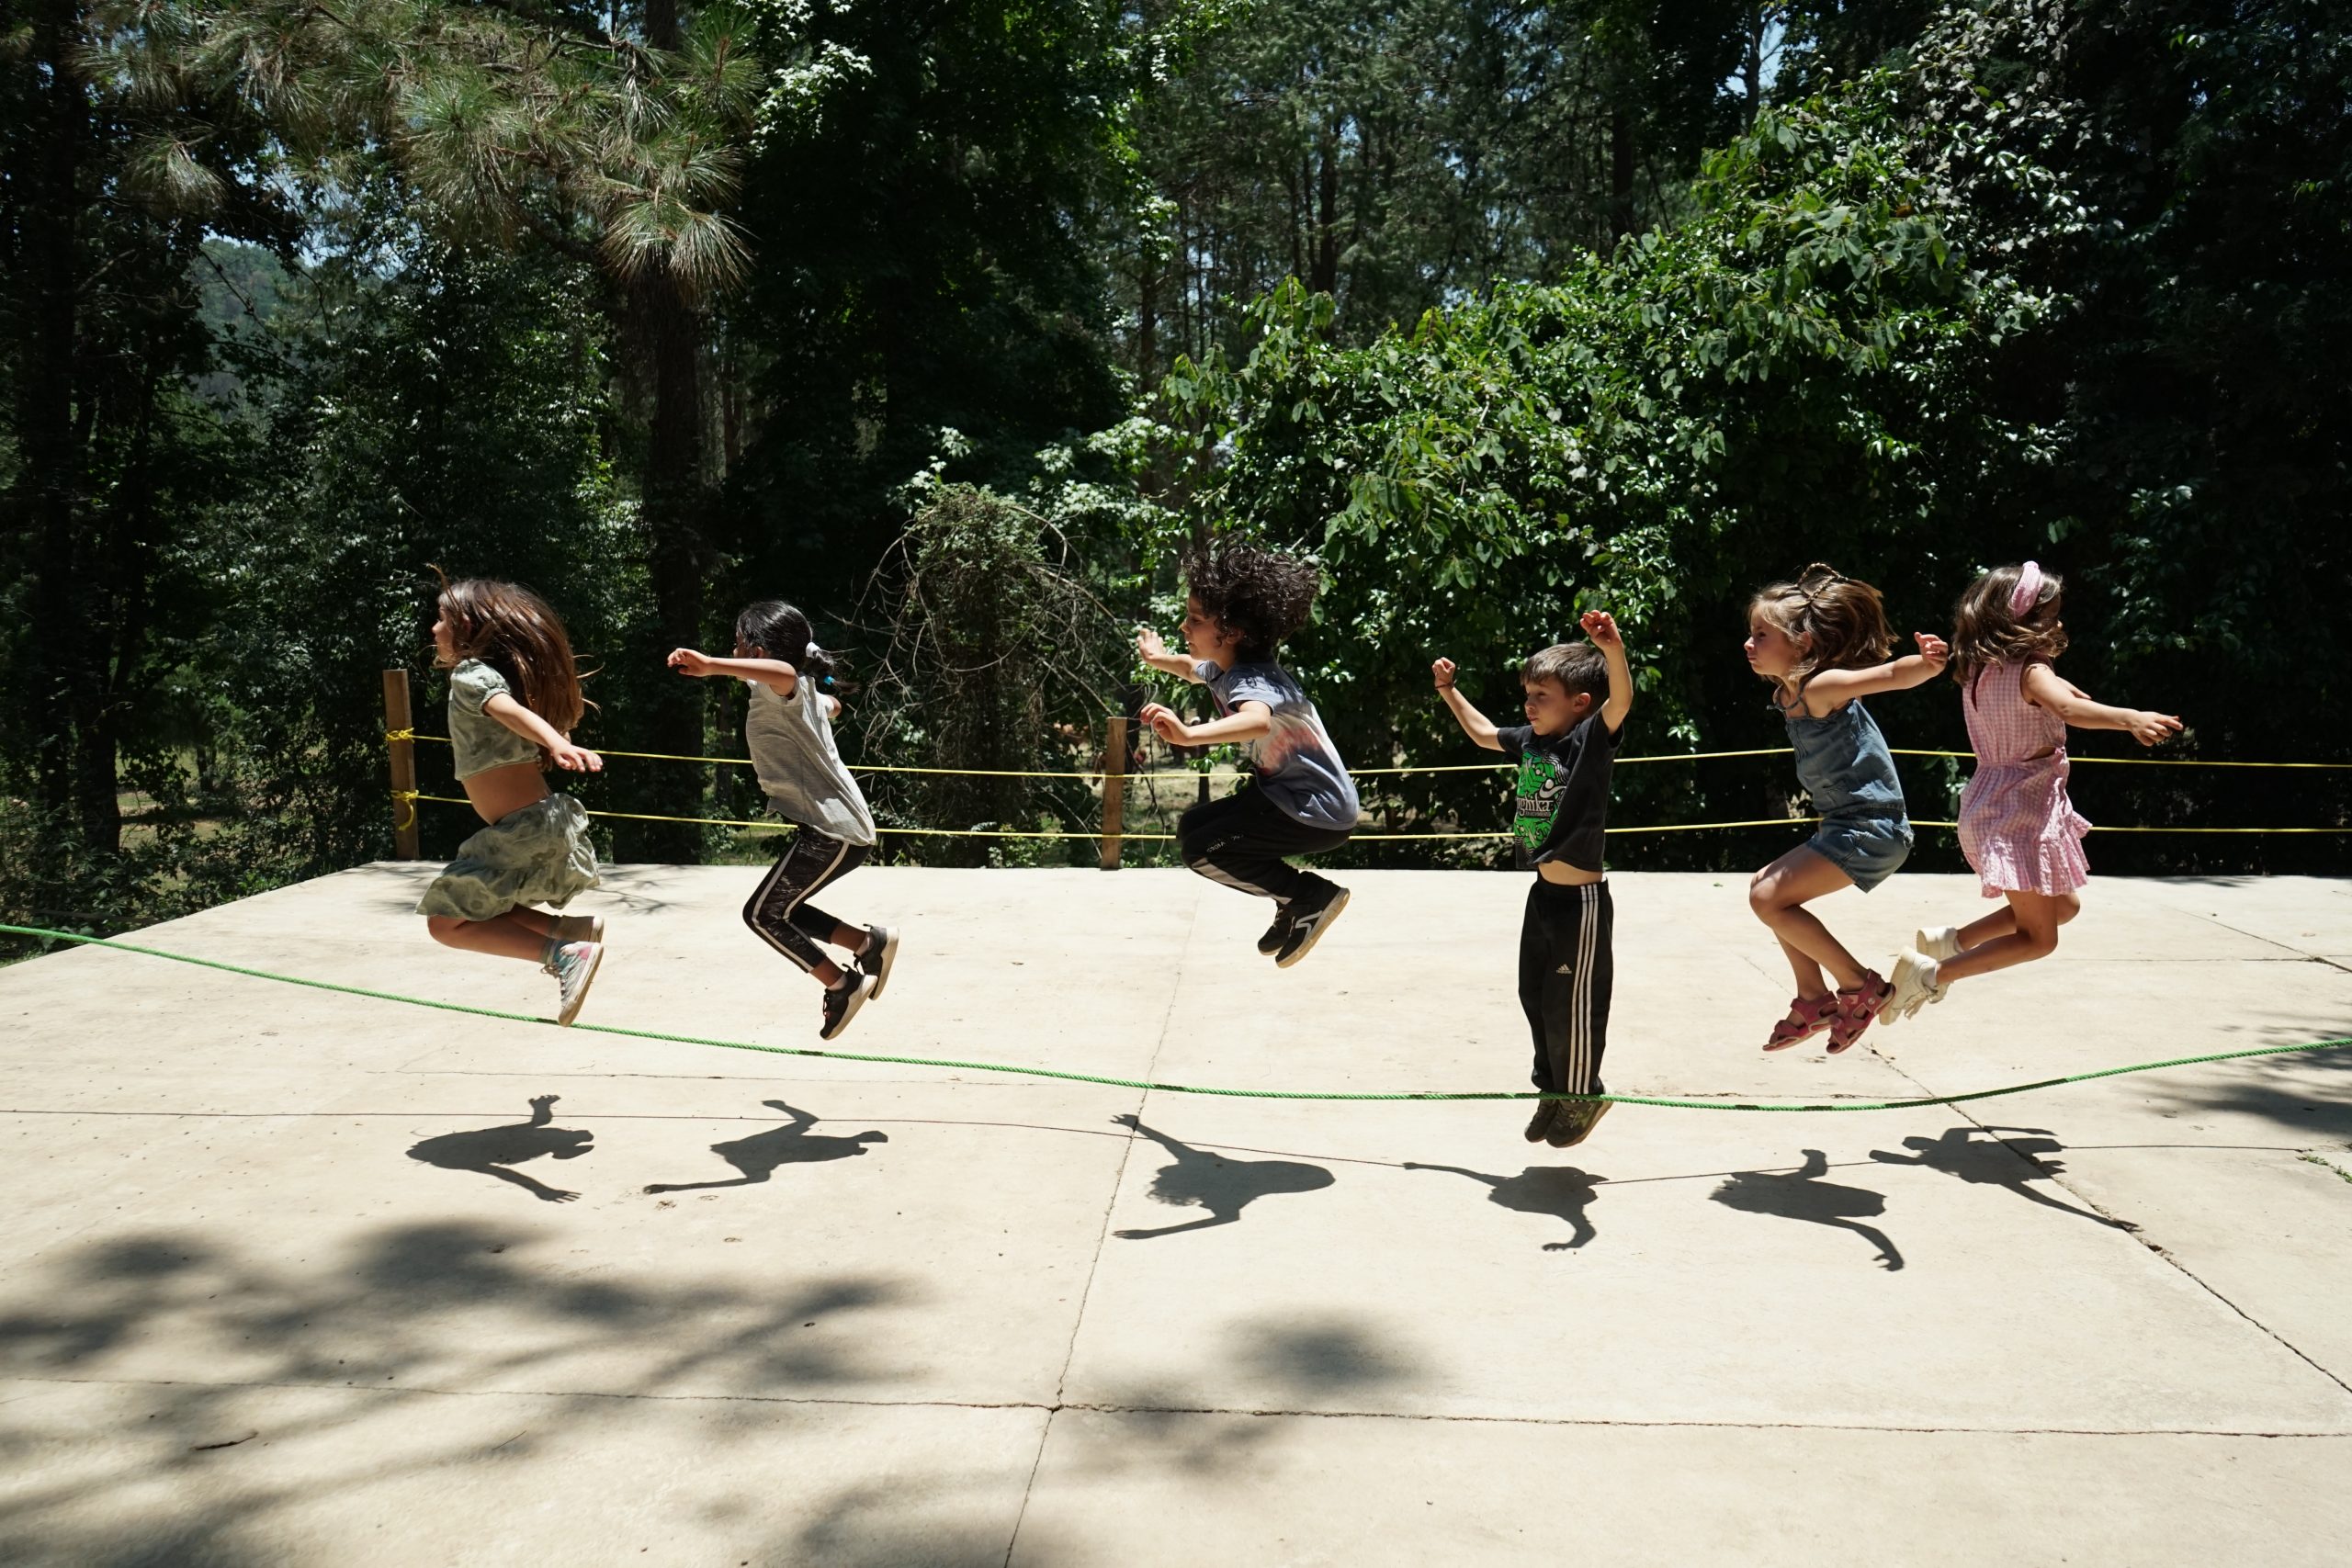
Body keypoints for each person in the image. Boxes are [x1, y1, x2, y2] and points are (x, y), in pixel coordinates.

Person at [1880, 561, 2182, 1018]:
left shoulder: (1980, 669)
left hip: (1994, 805)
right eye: (2050, 615)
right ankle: (1929, 976)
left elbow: (2073, 700)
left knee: (2064, 904)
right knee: (2038, 939)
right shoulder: (2032, 672)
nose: (2059, 624)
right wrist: (2130, 719)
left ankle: (1952, 941)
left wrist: (2104, 708)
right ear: (2020, 623)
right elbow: (2066, 706)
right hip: (2018, 812)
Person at [1432, 611, 1633, 1148]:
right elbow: (1480, 734)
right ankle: (1553, 1088)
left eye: (1541, 695)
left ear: (1579, 704)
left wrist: (1612, 649)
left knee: (1574, 1003)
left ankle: (1583, 1094)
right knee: (1536, 996)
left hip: (1582, 902)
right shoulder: (1532, 742)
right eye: (1528, 693)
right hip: (1543, 896)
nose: (1529, 704)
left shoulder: (1590, 740)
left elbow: (1622, 701)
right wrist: (1450, 691)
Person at [668, 601, 897, 1041]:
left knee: (761, 915)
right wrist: (828, 704)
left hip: (835, 832)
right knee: (783, 909)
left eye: (737, 644)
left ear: (756, 652)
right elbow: (828, 704)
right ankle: (870, 944)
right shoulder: (796, 691)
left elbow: (786, 676)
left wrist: (711, 665)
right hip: (834, 830)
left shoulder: (786, 685)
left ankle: (843, 984)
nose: (731, 650)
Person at [1744, 564, 1947, 1055]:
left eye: (1761, 634)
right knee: (1764, 891)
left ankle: (1860, 988)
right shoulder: (1788, 693)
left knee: (1768, 898)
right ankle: (1814, 998)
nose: (1749, 644)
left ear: (1803, 644)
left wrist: (1928, 664)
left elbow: (1891, 675)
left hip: (1871, 828)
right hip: (1846, 825)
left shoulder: (1821, 687)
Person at [1136, 541, 1361, 966]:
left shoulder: (1253, 679)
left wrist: (1187, 736)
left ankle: (1307, 896)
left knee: (1202, 850)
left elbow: (1256, 720)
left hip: (1314, 809)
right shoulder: (1226, 667)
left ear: (1232, 631)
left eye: (1195, 620)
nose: (1185, 626)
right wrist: (1160, 659)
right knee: (1193, 826)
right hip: (1288, 797)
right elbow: (1190, 668)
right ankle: (1291, 899)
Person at [416, 575, 606, 1025]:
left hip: (525, 828)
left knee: (445, 922)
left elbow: (506, 709)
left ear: (463, 624)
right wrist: (555, 736)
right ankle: (565, 930)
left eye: (440, 620)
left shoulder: (471, 676)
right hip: (541, 823)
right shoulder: (496, 676)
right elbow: (515, 710)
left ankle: (564, 953)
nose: (433, 630)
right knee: (484, 904)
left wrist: (554, 742)